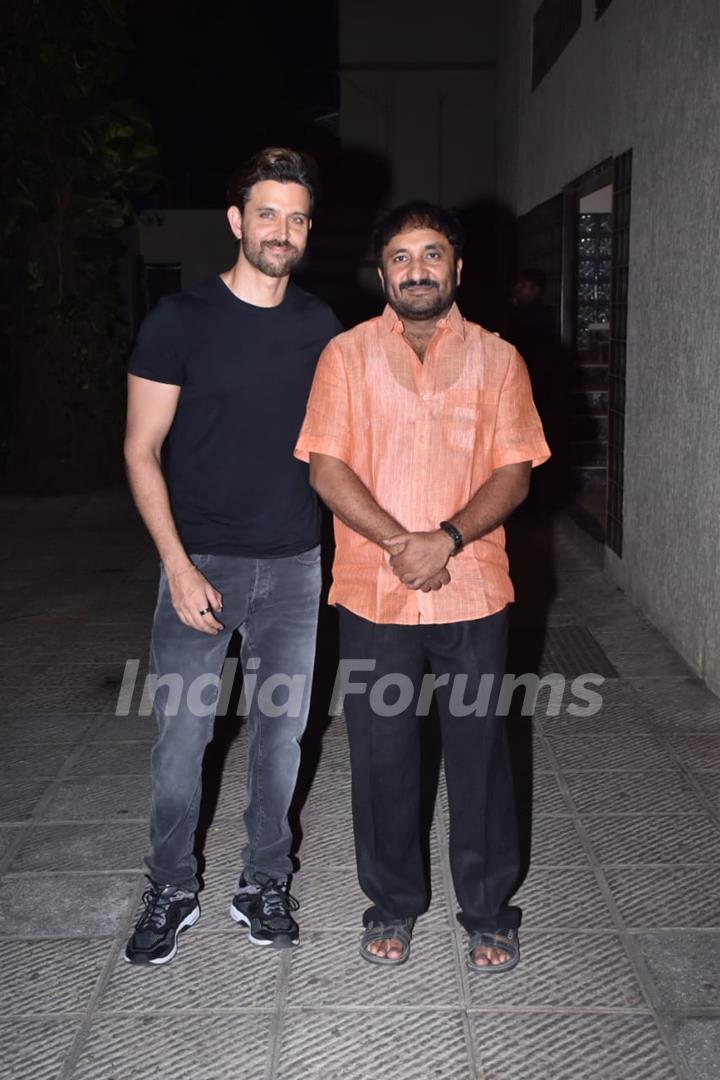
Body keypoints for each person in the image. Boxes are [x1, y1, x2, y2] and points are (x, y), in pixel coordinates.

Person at [295, 202, 549, 973]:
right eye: (401, 257)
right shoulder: (345, 356)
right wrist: (400, 544)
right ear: (383, 272)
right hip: (374, 590)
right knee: (382, 754)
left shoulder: (499, 360)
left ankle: (487, 909)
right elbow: (325, 466)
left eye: (431, 254)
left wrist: (446, 539)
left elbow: (514, 469)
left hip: (472, 585)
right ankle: (393, 904)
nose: (416, 270)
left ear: (457, 269)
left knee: (480, 750)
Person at [123, 147, 341, 965]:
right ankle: (172, 885)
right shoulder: (180, 321)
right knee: (182, 739)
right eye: (266, 213)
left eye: (295, 216)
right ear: (236, 221)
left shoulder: (322, 326)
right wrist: (179, 566)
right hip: (201, 562)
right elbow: (141, 450)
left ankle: (263, 881)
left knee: (282, 739)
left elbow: (340, 449)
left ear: (307, 229)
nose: (280, 230)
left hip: (293, 567)